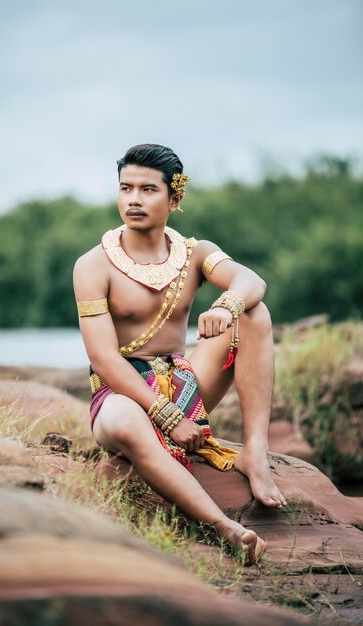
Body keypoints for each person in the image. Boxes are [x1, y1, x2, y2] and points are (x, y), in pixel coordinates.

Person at [73, 143, 286, 566]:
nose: (133, 199)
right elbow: (104, 359)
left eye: (148, 190)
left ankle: (254, 451)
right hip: (124, 396)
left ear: (174, 198)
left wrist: (227, 305)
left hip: (186, 383)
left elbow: (251, 280)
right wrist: (167, 417)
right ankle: (225, 527)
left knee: (254, 314)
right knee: (130, 426)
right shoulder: (92, 265)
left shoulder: (195, 253)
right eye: (125, 188)